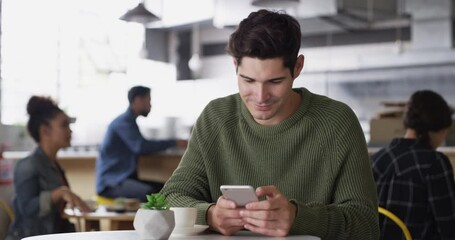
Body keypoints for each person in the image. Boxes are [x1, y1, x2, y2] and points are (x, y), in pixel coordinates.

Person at [160, 9, 379, 239]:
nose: (260, 96)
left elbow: (365, 225)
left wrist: (297, 218)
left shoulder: (337, 122)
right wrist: (210, 215)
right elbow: (170, 198)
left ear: (297, 67)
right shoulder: (216, 118)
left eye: (275, 81)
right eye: (248, 80)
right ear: (235, 64)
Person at [371, 90, 455, 239]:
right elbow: (449, 227)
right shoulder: (435, 163)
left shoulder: (377, 159)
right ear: (438, 129)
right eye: (444, 132)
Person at [7, 96, 91, 240]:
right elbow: (27, 209)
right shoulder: (27, 165)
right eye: (64, 125)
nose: (70, 131)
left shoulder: (55, 165)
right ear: (45, 131)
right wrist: (59, 193)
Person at [96, 86, 187, 202]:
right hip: (111, 183)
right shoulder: (123, 122)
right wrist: (174, 142)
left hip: (123, 179)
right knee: (149, 193)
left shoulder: (129, 121)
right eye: (148, 100)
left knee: (166, 189)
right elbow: (141, 146)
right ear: (138, 100)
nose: (150, 105)